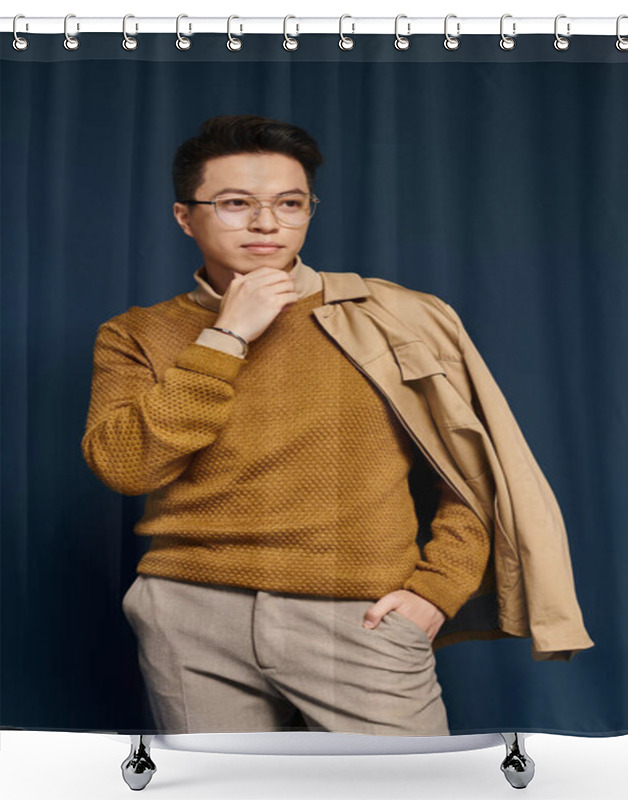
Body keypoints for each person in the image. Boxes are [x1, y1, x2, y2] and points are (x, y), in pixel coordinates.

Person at [82, 115, 594, 737]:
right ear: (185, 216)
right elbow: (125, 466)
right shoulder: (136, 333)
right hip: (190, 613)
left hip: (359, 616)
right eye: (236, 203)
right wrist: (226, 337)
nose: (266, 224)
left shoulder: (395, 317)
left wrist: (437, 591)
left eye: (289, 204)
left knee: (399, 790)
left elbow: (474, 474)